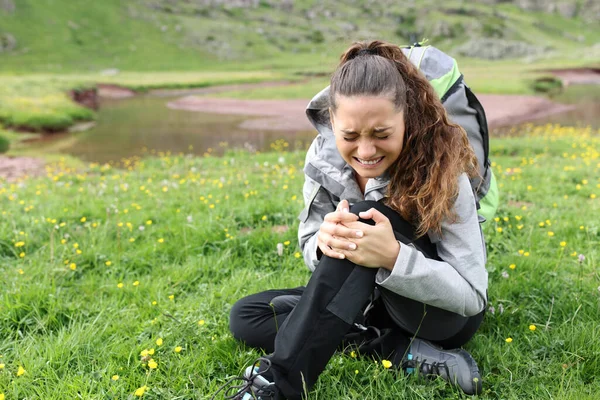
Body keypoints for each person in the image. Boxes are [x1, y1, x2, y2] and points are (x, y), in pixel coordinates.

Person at [213, 40, 488, 400]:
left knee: (362, 220)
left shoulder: (444, 168)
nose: (366, 151)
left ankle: (279, 386)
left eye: (381, 134)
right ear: (333, 123)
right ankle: (394, 350)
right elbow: (311, 244)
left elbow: (472, 296)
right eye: (350, 136)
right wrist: (322, 244)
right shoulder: (323, 158)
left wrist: (392, 257)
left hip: (438, 316)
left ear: (407, 116)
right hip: (367, 305)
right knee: (248, 316)